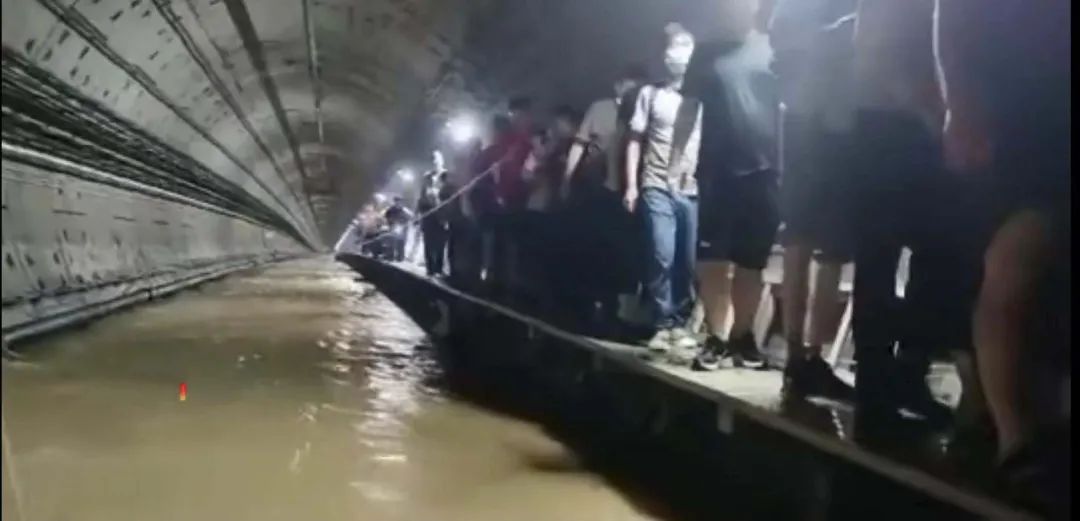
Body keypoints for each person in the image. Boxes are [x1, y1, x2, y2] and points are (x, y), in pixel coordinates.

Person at [935, 0, 1070, 514]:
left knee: (1029, 269)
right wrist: (959, 105)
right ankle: (1013, 438)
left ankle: (1019, 430)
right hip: (1016, 119)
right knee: (1016, 258)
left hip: (1034, 111)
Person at [765, 0, 856, 397]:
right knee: (807, 245)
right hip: (814, 128)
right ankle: (800, 355)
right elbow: (780, 44)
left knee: (823, 249)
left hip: (826, 127)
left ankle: (807, 356)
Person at [686, 1, 780, 371]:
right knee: (712, 258)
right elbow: (687, 110)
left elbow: (789, 106)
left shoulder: (772, 46)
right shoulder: (706, 52)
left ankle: (743, 337)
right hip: (715, 168)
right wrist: (678, 160)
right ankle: (716, 337)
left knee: (751, 260)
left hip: (765, 169)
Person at [624, 23, 703, 354]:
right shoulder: (650, 94)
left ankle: (681, 322)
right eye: (674, 46)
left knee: (687, 260)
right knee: (662, 253)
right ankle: (661, 322)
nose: (679, 53)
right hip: (655, 185)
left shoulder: (702, 97)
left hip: (692, 188)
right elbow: (634, 140)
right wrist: (632, 185)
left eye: (686, 45)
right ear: (664, 54)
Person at [561, 63, 650, 335]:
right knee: (594, 245)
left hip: (629, 189)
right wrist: (567, 179)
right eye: (629, 85)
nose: (634, 90)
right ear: (618, 86)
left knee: (623, 250)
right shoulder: (600, 109)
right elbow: (580, 143)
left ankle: (616, 309)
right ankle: (588, 304)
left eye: (638, 86)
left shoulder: (645, 111)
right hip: (596, 188)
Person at [418, 151, 450, 277]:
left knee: (441, 242)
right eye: (432, 160)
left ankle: (439, 268)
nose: (434, 162)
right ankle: (430, 268)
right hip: (428, 212)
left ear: (441, 161)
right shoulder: (426, 177)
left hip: (442, 212)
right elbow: (421, 196)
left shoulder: (446, 175)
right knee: (428, 241)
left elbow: (449, 193)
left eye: (437, 160)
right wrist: (420, 213)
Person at [383, 196, 412, 262]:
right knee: (391, 241)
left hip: (401, 228)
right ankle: (390, 256)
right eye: (396, 201)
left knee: (401, 242)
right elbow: (386, 216)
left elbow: (409, 218)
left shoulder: (405, 210)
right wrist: (390, 222)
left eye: (399, 202)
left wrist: (404, 224)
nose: (398, 203)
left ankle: (400, 257)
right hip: (393, 226)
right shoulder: (391, 209)